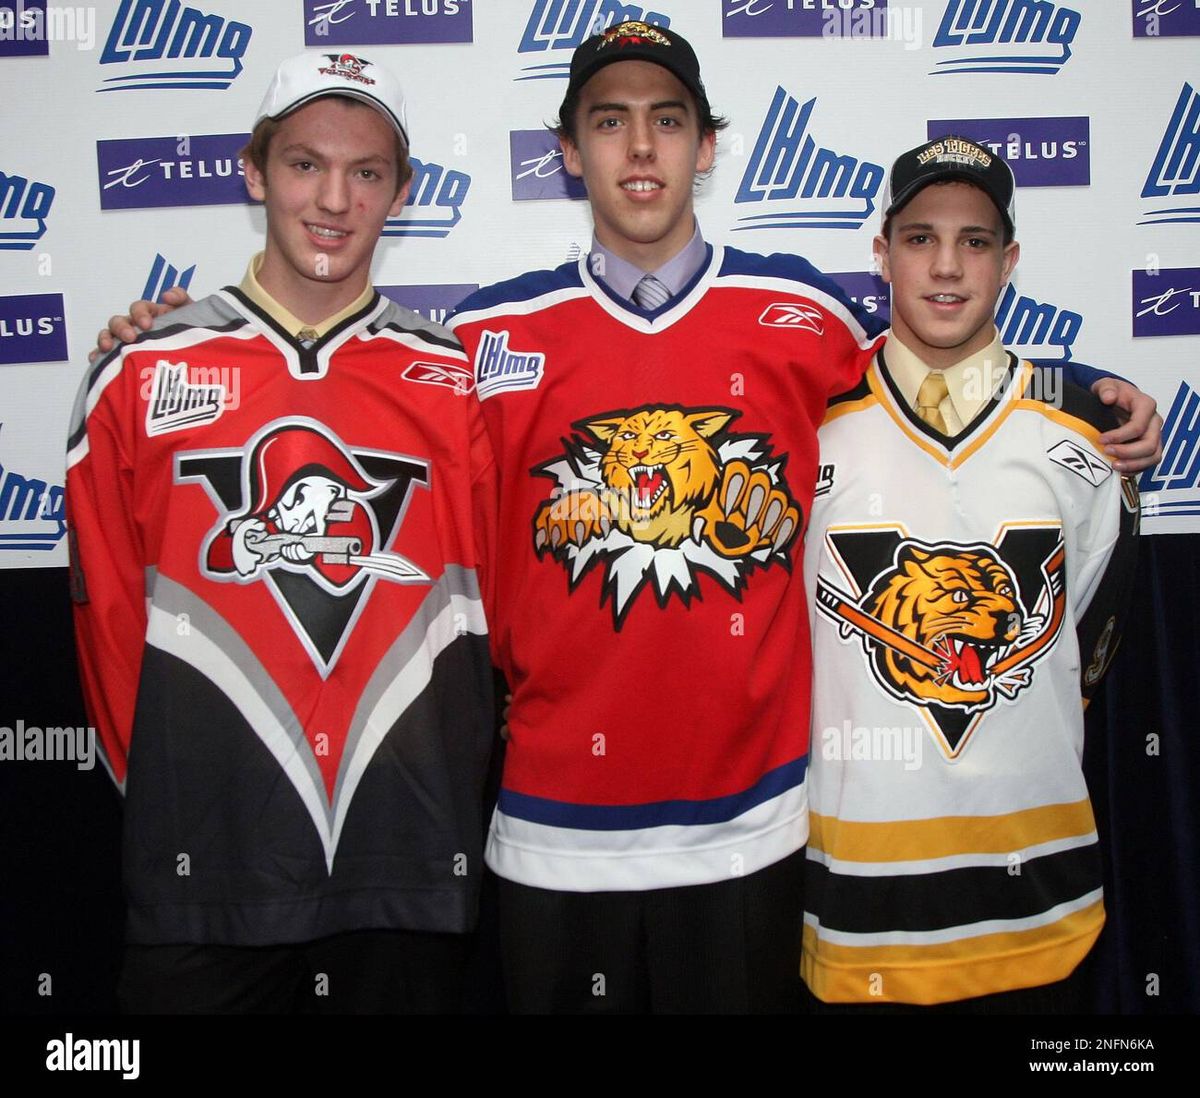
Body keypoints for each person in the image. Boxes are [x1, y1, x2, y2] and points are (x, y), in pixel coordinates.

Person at [94, 23, 1161, 1014]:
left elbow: (939, 368)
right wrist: (170, 334)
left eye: (667, 120)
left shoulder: (807, 314)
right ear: (568, 150)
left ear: (707, 146)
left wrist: (1093, 398)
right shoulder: (485, 335)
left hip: (751, 829)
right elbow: (335, 386)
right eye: (609, 121)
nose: (639, 147)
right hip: (549, 833)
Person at [67, 51, 497, 1013]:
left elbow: (490, 619)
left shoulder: (456, 382)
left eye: (368, 172)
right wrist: (179, 805)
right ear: (254, 172)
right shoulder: (137, 374)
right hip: (204, 880)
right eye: (305, 164)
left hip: (408, 872)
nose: (334, 199)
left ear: (401, 192)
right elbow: (106, 631)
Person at [801, 136, 1140, 1012]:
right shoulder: (803, 427)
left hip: (1043, 910)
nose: (947, 267)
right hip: (855, 913)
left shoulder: (1086, 435)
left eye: (975, 241)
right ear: (880, 254)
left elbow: (1091, 652)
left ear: (1010, 259)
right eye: (919, 238)